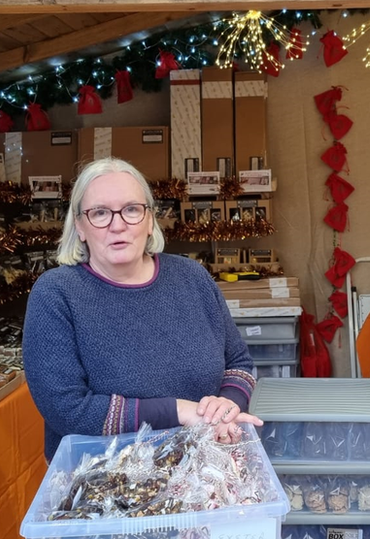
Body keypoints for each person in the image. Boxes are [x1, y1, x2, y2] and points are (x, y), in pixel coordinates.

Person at [22, 157, 262, 461]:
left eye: (132, 209)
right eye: (99, 213)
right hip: (102, 483)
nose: (118, 224)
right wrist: (180, 411)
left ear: (150, 220)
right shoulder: (56, 293)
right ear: (80, 227)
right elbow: (67, 408)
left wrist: (225, 406)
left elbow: (239, 362)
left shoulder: (192, 277)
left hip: (206, 465)